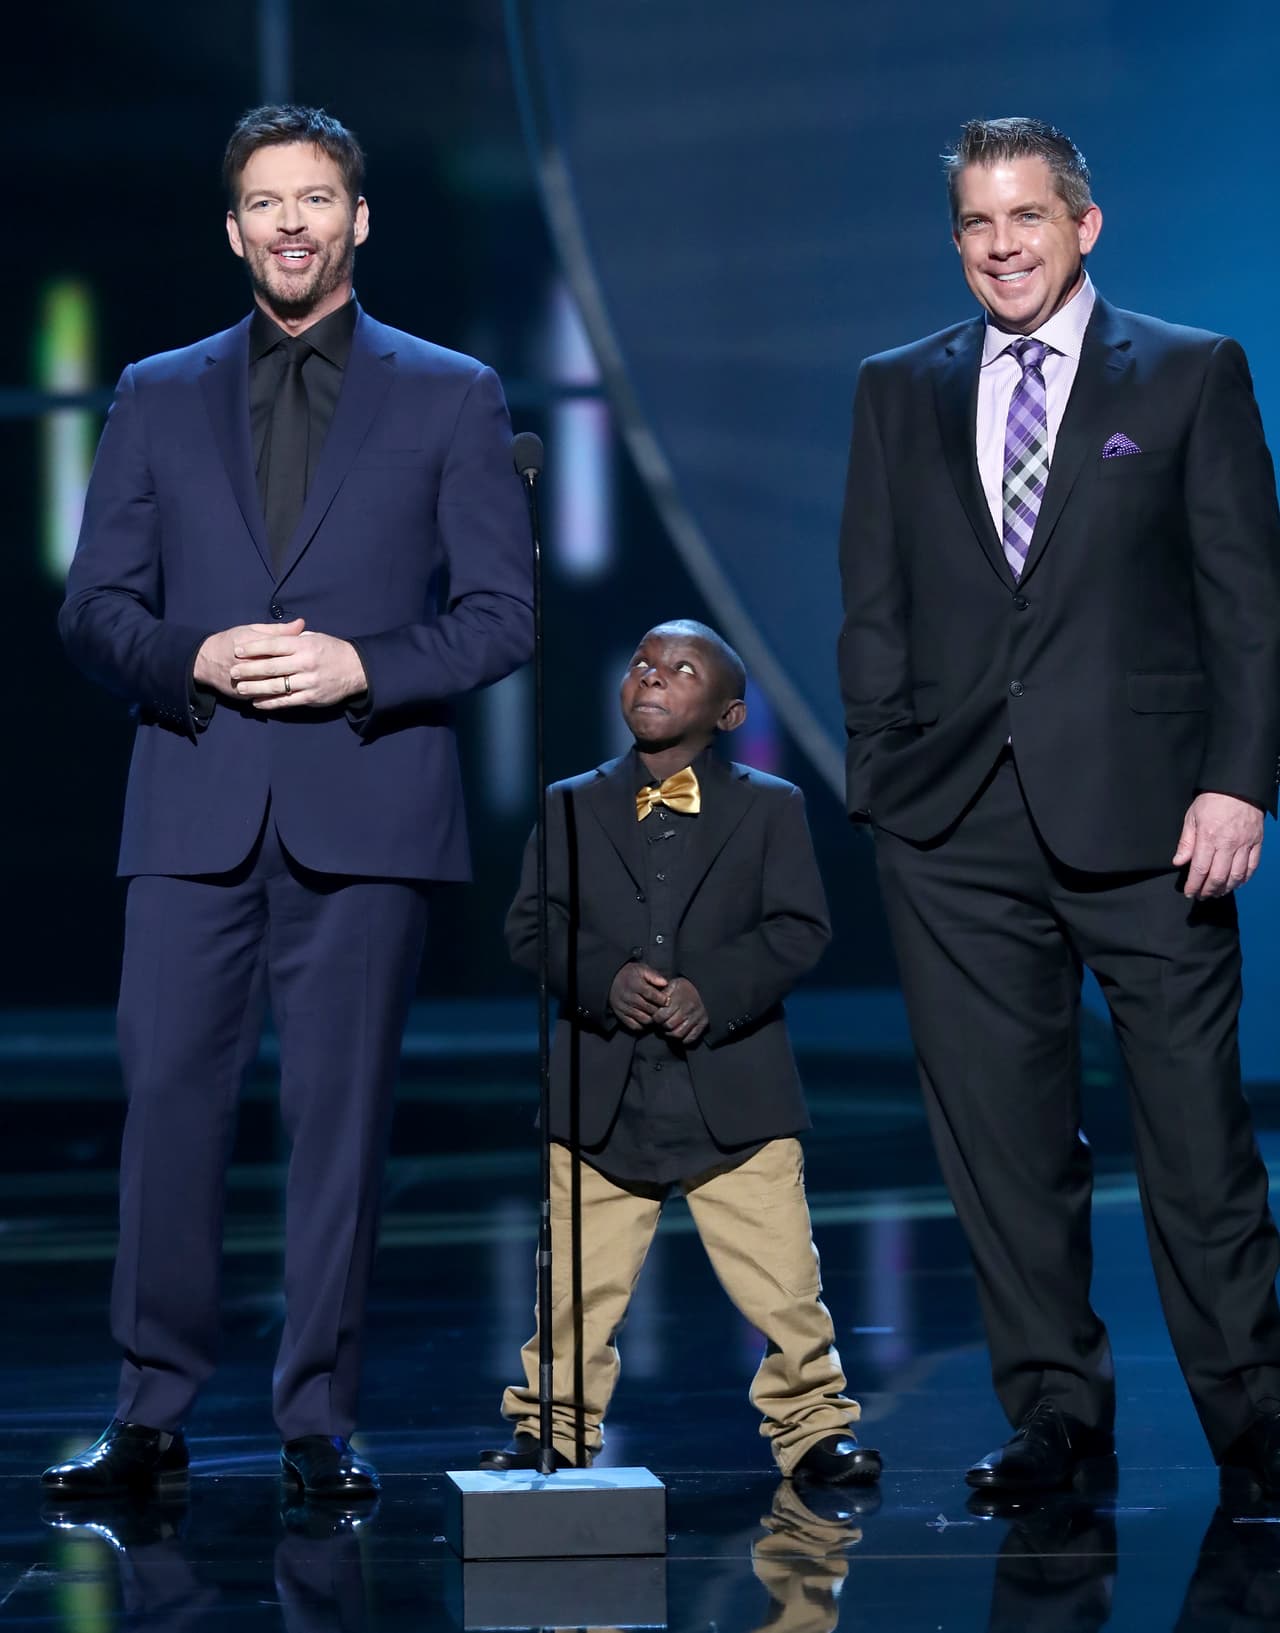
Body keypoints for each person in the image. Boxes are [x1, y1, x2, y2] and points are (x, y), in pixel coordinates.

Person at [44, 104, 533, 1502]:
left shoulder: (451, 392)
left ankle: (319, 1418)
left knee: (340, 1126)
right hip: (193, 802)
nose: (294, 223)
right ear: (235, 227)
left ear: (359, 218)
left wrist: (361, 665)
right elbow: (94, 608)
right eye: (268, 202)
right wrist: (186, 657)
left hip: (365, 809)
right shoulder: (155, 390)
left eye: (318, 198)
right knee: (168, 1122)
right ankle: (150, 1414)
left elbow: (501, 616)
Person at [838, 115, 1280, 1494]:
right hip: (953, 825)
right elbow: (876, 604)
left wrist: (1237, 782)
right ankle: (1054, 1416)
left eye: (1026, 217)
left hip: (1153, 818)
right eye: (977, 223)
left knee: (1197, 1137)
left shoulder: (1194, 372)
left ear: (1084, 227)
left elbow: (1248, 606)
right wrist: (885, 781)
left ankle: (1254, 1415)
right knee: (1003, 1142)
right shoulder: (897, 387)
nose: (1001, 245)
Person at [479, 620, 880, 1486]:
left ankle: (813, 1426)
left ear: (729, 712)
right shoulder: (570, 803)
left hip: (734, 1092)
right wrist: (604, 977)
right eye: (642, 664)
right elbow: (531, 923)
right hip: (602, 1090)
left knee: (784, 1283)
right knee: (576, 1291)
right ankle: (552, 1425)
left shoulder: (770, 805)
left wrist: (714, 990)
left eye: (682, 669)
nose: (653, 677)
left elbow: (798, 927)